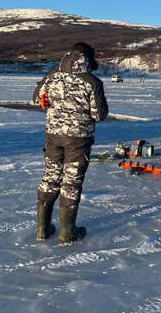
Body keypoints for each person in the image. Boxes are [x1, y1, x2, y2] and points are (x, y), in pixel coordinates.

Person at [34, 42, 109, 243]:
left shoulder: (52, 76)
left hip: (52, 136)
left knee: (50, 177)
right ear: (88, 59)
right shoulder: (92, 82)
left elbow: (36, 99)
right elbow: (99, 115)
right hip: (78, 139)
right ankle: (67, 233)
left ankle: (42, 229)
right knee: (72, 183)